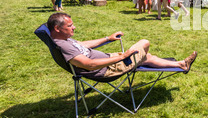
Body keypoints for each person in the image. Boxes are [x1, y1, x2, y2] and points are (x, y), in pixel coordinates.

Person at [47, 13, 197, 79]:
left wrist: (108, 38)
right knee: (144, 43)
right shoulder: (64, 46)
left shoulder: (65, 40)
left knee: (147, 56)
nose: (74, 28)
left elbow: (84, 44)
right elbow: (90, 64)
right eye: (70, 25)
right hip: (109, 69)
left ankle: (181, 64)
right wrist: (123, 57)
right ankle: (138, 61)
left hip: (110, 61)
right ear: (57, 28)